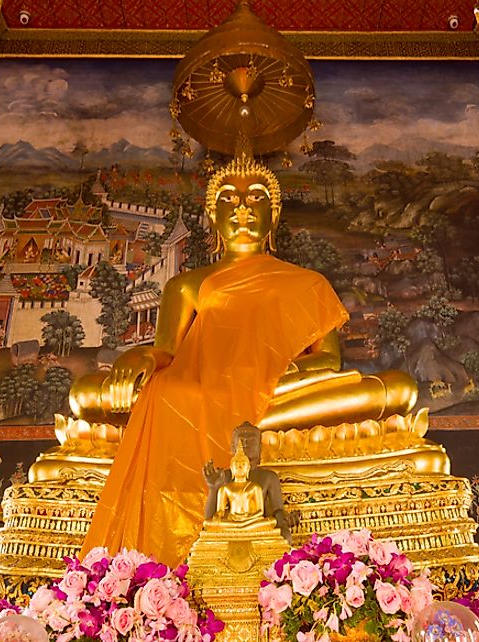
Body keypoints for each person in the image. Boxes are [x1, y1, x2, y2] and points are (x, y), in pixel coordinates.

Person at [78, 153, 416, 567]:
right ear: (213, 216)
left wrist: (279, 370)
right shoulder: (186, 284)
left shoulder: (308, 283)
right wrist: (143, 356)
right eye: (228, 199)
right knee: (90, 395)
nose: (241, 206)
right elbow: (167, 350)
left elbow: (327, 361)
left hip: (278, 393)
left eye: (255, 198)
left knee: (397, 389)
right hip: (194, 390)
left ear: (272, 216)